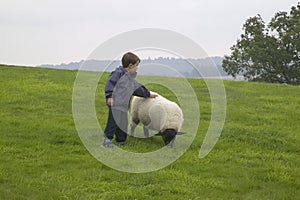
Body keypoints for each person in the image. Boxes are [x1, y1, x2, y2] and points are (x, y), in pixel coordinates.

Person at [102, 52, 157, 147]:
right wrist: (110, 96)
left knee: (123, 123)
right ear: (130, 66)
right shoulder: (118, 74)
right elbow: (110, 84)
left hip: (124, 105)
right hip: (115, 103)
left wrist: (148, 94)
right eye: (136, 65)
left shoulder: (130, 78)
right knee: (113, 122)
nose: (137, 68)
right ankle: (107, 141)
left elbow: (137, 88)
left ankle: (121, 141)